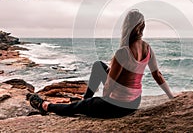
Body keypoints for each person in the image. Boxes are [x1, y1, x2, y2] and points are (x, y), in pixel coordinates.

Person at [27, 9, 174, 118]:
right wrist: (171, 97)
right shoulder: (148, 48)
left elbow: (110, 84)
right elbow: (158, 75)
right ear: (142, 27)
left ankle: (45, 106)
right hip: (135, 102)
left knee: (78, 107)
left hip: (117, 106)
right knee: (99, 66)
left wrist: (102, 100)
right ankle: (86, 98)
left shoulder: (123, 53)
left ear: (126, 27)